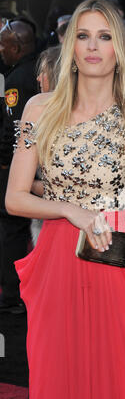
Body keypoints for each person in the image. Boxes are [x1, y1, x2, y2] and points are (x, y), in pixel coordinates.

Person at [5, 0, 125, 399]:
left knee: (114, 379)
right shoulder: (37, 110)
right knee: (55, 376)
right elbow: (15, 197)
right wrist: (71, 209)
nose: (93, 47)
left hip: (116, 260)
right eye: (84, 36)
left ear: (121, 49)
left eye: (105, 36)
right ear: (71, 46)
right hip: (55, 260)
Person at [2, 44, 62, 399]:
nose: (37, 80)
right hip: (43, 236)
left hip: (62, 241)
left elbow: (18, 189)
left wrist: (67, 198)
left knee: (48, 339)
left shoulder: (47, 116)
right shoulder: (38, 116)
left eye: (43, 73)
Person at [0, 18, 37, 314]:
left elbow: (13, 129)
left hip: (15, 166)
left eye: (3, 44)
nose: (0, 50)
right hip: (33, 166)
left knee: (12, 230)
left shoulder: (15, 80)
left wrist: (3, 160)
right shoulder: (35, 70)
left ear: (16, 46)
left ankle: (12, 294)